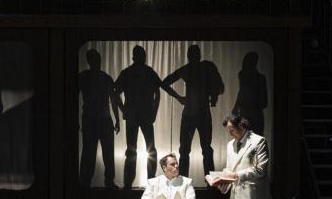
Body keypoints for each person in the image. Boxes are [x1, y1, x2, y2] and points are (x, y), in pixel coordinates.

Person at [114, 46, 184, 189]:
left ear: (133, 57)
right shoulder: (148, 72)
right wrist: (175, 99)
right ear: (142, 57)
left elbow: (114, 93)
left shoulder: (128, 73)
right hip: (145, 115)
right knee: (149, 150)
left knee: (132, 151)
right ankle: (150, 183)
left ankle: (129, 184)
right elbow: (161, 88)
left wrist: (123, 110)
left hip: (134, 115)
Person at [163, 45, 224, 178]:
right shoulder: (206, 67)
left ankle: (186, 183)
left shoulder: (190, 69)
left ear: (188, 56)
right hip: (201, 113)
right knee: (204, 149)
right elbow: (221, 87)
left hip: (191, 114)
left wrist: (179, 97)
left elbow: (165, 82)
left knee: (188, 151)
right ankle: (209, 183)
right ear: (199, 55)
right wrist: (212, 93)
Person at [77, 49, 122, 188]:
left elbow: (113, 99)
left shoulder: (84, 77)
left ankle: (86, 182)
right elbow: (113, 99)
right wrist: (117, 119)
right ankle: (106, 182)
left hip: (92, 119)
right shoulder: (104, 77)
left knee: (89, 152)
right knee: (105, 152)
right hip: (102, 119)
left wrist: (117, 118)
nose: (98, 62)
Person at [231, 52, 269, 135]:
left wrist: (236, 107)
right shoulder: (261, 78)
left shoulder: (243, 75)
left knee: (246, 137)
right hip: (254, 113)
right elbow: (264, 102)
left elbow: (241, 91)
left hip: (247, 112)